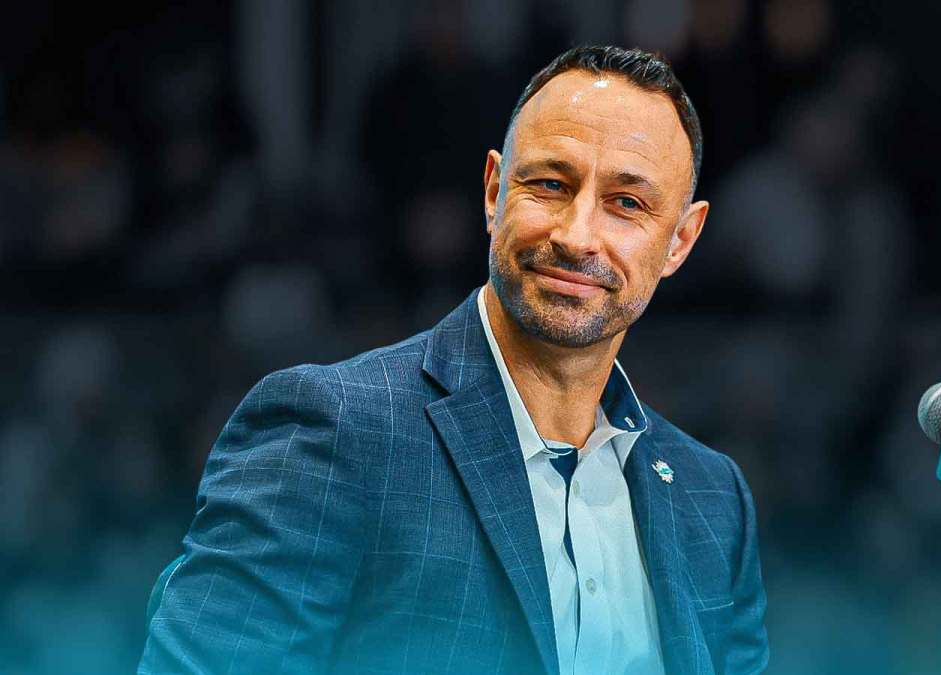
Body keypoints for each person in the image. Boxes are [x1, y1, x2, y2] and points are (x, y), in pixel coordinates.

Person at [140, 45, 768, 675]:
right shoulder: (333, 431)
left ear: (680, 240)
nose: (577, 236)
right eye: (550, 185)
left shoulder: (716, 499)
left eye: (627, 203)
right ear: (494, 191)